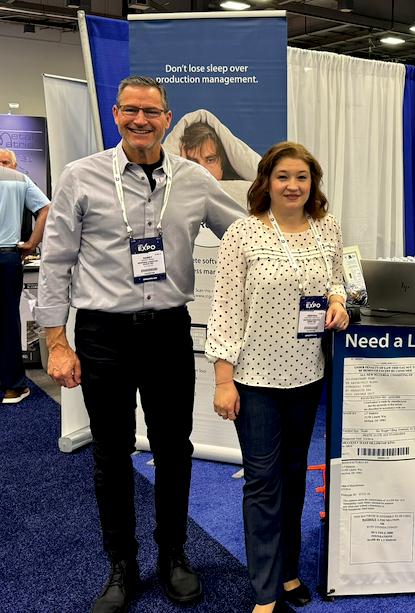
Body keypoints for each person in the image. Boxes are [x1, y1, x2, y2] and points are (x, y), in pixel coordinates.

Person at [35, 76, 246, 613]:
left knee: (175, 448)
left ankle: (173, 555)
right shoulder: (80, 177)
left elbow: (247, 237)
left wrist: (317, 252)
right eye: (131, 110)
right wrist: (56, 343)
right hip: (103, 334)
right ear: (116, 114)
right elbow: (56, 262)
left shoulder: (196, 180)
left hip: (169, 331)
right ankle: (121, 564)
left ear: (166, 119)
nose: (141, 120)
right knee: (111, 452)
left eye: (151, 112)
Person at [205, 142, 349, 613]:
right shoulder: (242, 235)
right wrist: (223, 381)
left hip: (308, 377)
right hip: (255, 378)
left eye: (302, 178)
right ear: (266, 181)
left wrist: (337, 301)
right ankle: (264, 590)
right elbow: (224, 311)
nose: (293, 186)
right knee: (263, 483)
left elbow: (337, 280)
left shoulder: (326, 228)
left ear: (313, 184)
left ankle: (288, 572)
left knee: (292, 478)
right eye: (283, 177)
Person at [0, 148, 49, 404]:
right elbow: (46, 209)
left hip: (9, 254)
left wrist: (30, 243)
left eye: (6, 161)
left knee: (8, 321)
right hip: (7, 256)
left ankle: (11, 385)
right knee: (8, 321)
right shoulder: (19, 180)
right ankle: (13, 387)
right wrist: (32, 243)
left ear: (15, 164)